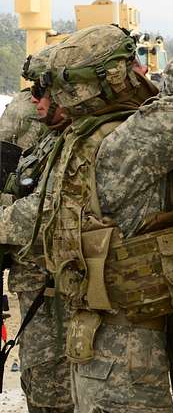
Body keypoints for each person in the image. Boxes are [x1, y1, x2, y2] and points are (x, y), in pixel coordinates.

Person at [0, 0, 173, 412]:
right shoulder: (127, 142)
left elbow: (165, 92)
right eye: (128, 64)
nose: (138, 69)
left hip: (101, 346)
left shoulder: (84, 137)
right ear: (111, 80)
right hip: (126, 354)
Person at [0, 46, 74, 413]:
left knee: (53, 386)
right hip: (37, 281)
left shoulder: (81, 133)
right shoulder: (29, 118)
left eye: (41, 89)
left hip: (57, 285)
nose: (35, 99)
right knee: (43, 379)